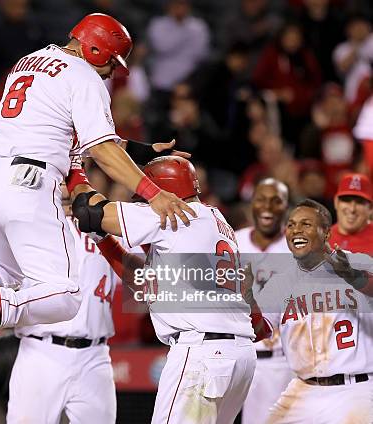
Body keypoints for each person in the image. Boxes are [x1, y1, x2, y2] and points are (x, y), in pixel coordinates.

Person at [0, 13, 195, 351]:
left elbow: (67, 139)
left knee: (1, 269)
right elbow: (101, 149)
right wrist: (153, 193)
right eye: (111, 60)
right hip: (28, 184)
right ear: (93, 49)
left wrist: (138, 151)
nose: (112, 70)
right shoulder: (84, 76)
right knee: (67, 295)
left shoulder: (28, 62)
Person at [68, 156, 271, 424]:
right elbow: (141, 280)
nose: (146, 199)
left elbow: (89, 211)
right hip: (239, 356)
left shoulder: (173, 212)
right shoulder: (215, 218)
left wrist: (74, 171)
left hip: (201, 354)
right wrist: (103, 239)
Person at [7, 185, 119, 423]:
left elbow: (143, 272)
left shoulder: (105, 228)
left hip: (95, 355)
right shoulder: (28, 227)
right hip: (41, 352)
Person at [257, 200, 373, 423]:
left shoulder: (356, 262)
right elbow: (259, 330)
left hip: (355, 389)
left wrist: (352, 276)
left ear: (326, 233)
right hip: (303, 389)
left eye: (306, 224)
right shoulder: (280, 283)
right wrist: (248, 300)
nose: (296, 230)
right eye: (291, 225)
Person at [234, 178, 294, 424]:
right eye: (261, 199)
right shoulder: (232, 243)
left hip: (279, 361)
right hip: (233, 355)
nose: (268, 206)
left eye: (276, 200)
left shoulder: (296, 248)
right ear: (251, 204)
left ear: (286, 206)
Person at [329, 173, 372, 254]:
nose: (352, 209)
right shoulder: (321, 240)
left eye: (359, 202)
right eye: (346, 200)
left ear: (370, 208)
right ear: (336, 202)